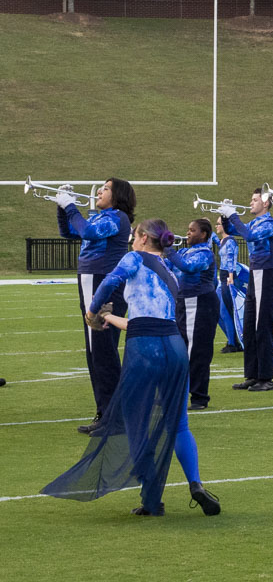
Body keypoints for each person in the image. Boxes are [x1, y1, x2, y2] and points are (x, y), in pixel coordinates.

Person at [42, 219, 220, 517]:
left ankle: (152, 501)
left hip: (145, 350)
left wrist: (92, 310)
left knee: (137, 423)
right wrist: (110, 319)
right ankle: (196, 483)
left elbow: (111, 281)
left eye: (134, 236)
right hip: (174, 346)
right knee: (179, 424)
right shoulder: (170, 271)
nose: (131, 241)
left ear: (143, 238)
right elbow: (147, 320)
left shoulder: (134, 258)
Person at [54, 177, 135, 434]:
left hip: (104, 285)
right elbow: (69, 231)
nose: (100, 191)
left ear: (118, 195)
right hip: (91, 282)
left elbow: (87, 232)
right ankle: (105, 412)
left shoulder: (118, 217)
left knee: (103, 352)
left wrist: (71, 207)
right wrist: (61, 206)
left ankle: (115, 417)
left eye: (106, 188)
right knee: (94, 353)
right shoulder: (102, 217)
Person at [220, 188, 273, 392]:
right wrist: (224, 214)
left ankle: (266, 378)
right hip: (257, 274)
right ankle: (252, 374)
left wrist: (233, 214)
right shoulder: (254, 222)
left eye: (255, 199)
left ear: (266, 203)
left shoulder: (270, 223)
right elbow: (233, 230)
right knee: (249, 325)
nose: (251, 202)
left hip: (267, 273)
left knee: (262, 325)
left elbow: (251, 236)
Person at [164, 218, 220, 411]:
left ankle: (199, 397)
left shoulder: (205, 253)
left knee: (197, 352)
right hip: (185, 302)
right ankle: (177, 393)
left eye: (192, 230)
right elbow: (168, 268)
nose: (187, 233)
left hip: (200, 302)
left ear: (203, 234)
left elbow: (188, 267)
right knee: (180, 349)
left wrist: (169, 249)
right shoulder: (185, 251)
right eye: (187, 230)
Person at [214, 220, 242, 353]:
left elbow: (231, 258)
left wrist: (230, 276)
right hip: (224, 276)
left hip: (228, 277)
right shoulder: (223, 240)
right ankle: (233, 339)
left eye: (218, 224)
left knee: (225, 311)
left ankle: (233, 343)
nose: (216, 226)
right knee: (219, 312)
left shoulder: (230, 241)